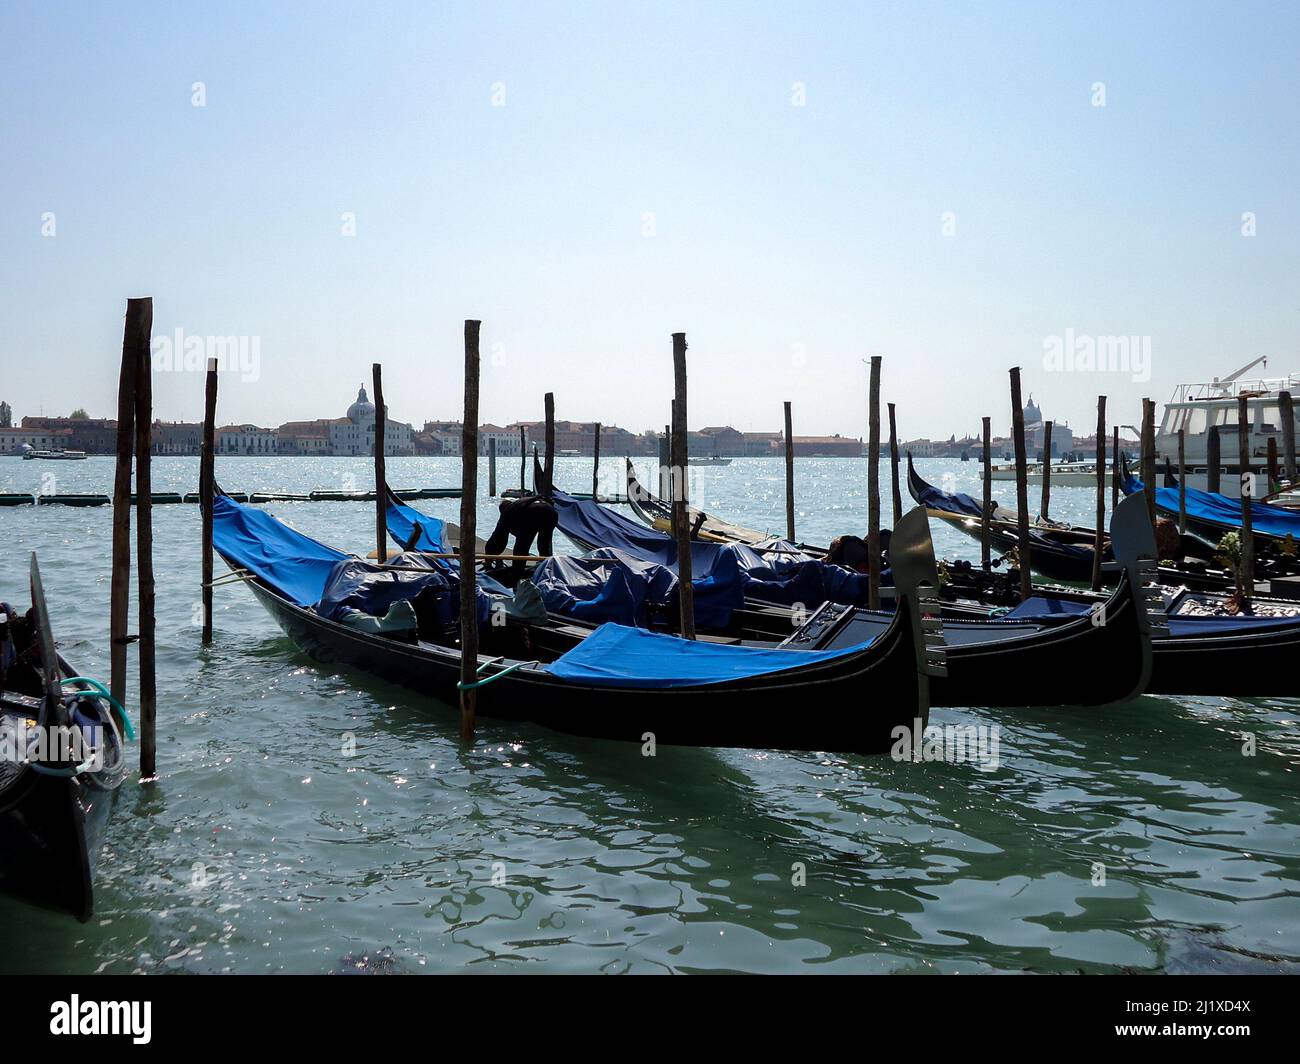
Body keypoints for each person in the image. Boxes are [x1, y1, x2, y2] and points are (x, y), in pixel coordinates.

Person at [484, 494, 559, 579]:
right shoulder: (518, 505)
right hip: (550, 511)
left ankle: (517, 575)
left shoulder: (507, 511)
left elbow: (497, 538)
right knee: (544, 544)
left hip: (532, 512)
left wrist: (488, 559)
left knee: (521, 547)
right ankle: (547, 570)